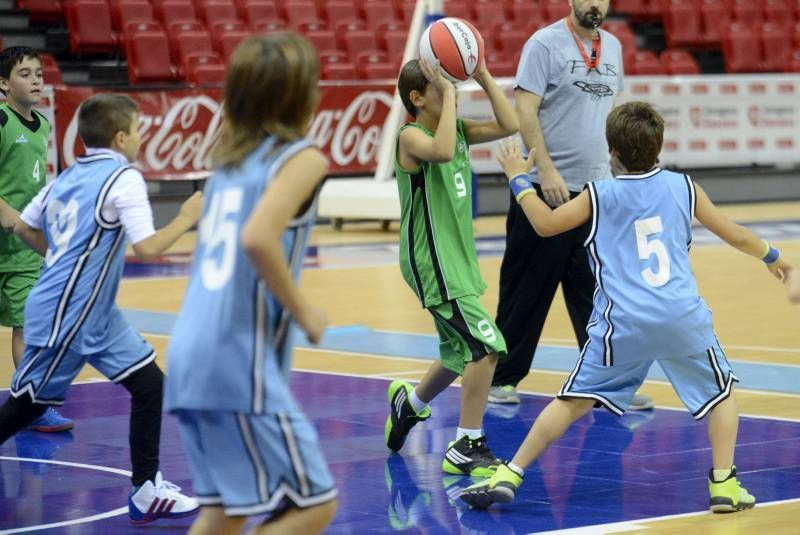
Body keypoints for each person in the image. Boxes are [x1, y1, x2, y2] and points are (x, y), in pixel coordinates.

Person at [460, 102, 793, 512]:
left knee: (573, 400)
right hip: (681, 318)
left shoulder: (598, 193)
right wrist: (774, 257)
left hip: (623, 324)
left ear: (611, 152)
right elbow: (736, 234)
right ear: (659, 147)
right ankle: (724, 483)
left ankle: (510, 473)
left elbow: (545, 225)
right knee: (721, 395)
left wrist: (517, 179)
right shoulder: (684, 187)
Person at [164, 33, 338, 535]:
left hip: (188, 355)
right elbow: (259, 238)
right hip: (236, 362)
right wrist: (306, 312)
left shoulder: (226, 166)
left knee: (226, 512)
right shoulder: (303, 158)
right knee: (316, 504)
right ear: (300, 95)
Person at [0, 93, 202, 523]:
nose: (143, 140)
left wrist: (60, 258)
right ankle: (146, 488)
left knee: (150, 386)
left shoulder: (66, 177)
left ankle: (147, 489)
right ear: (122, 136)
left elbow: (24, 226)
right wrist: (187, 218)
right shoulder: (124, 178)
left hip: (93, 312)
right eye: (141, 132)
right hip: (70, 311)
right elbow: (146, 247)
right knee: (26, 406)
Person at [488, 0, 653, 411]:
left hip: (597, 193)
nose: (595, 3)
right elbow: (524, 110)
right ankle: (502, 379)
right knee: (527, 289)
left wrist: (620, 176)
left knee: (596, 293)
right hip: (546, 190)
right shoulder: (544, 45)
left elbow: (612, 116)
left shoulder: (613, 47)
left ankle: (604, 382)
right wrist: (546, 170)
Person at [385, 57, 519, 476]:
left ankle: (411, 404)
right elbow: (441, 152)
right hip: (432, 261)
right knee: (485, 348)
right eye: (439, 86)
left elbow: (510, 123)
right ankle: (467, 444)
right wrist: (451, 94)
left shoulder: (457, 128)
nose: (450, 89)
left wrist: (482, 75)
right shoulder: (410, 135)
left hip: (455, 258)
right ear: (417, 98)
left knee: (459, 351)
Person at [0, 46, 72, 432]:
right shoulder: (0, 121)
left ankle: (32, 406)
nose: (35, 80)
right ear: (3, 84)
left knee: (26, 326)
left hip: (23, 251)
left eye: (38, 74)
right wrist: (5, 212)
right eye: (24, 74)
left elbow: (35, 185)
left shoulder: (43, 126)